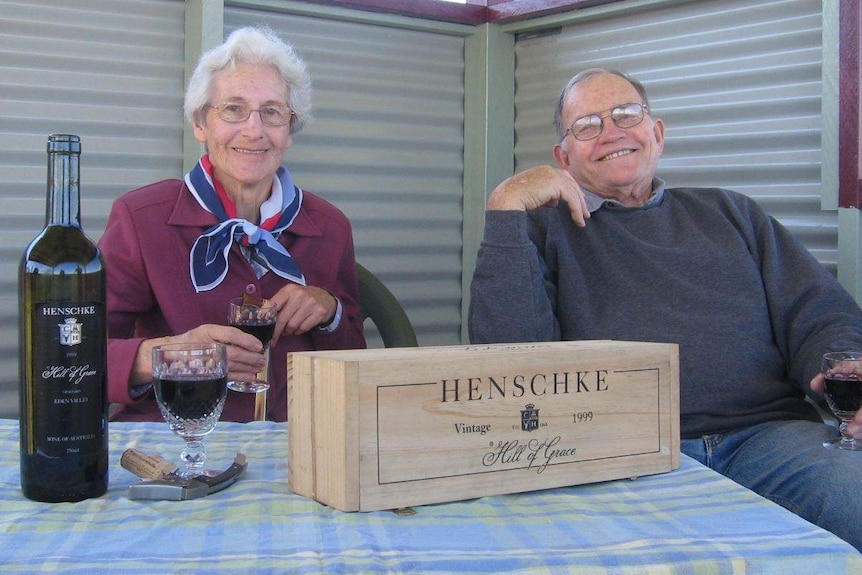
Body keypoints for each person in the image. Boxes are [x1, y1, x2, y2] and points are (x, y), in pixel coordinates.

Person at [468, 68, 862, 551]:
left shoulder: (732, 213)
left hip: (769, 439)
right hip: (617, 450)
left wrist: (844, 363)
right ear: (562, 156)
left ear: (656, 132)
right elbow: (507, 354)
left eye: (626, 114)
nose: (611, 131)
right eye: (587, 124)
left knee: (852, 497)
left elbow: (818, 312)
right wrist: (505, 208)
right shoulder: (541, 230)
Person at [101, 26, 366, 422]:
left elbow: (357, 364)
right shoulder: (142, 219)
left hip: (296, 444)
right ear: (200, 124)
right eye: (233, 109)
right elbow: (72, 359)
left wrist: (330, 313)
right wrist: (166, 357)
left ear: (289, 130)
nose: (254, 130)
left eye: (272, 112)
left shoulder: (330, 227)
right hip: (171, 444)